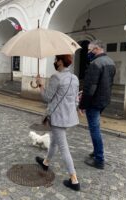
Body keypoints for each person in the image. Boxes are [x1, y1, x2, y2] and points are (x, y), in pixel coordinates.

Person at [35, 55, 80, 191]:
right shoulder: (75, 78)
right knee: (54, 140)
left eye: (56, 59)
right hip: (69, 117)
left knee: (63, 147)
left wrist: (40, 85)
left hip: (58, 118)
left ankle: (74, 180)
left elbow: (47, 98)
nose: (54, 62)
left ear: (60, 61)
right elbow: (76, 100)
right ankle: (46, 162)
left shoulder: (56, 77)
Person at [79, 40, 116, 170]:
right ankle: (96, 152)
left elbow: (90, 87)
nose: (88, 53)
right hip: (103, 100)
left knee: (94, 129)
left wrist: (82, 105)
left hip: (94, 102)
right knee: (96, 127)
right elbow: (104, 83)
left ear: (96, 49)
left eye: (89, 50)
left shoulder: (95, 63)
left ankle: (99, 159)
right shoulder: (110, 62)